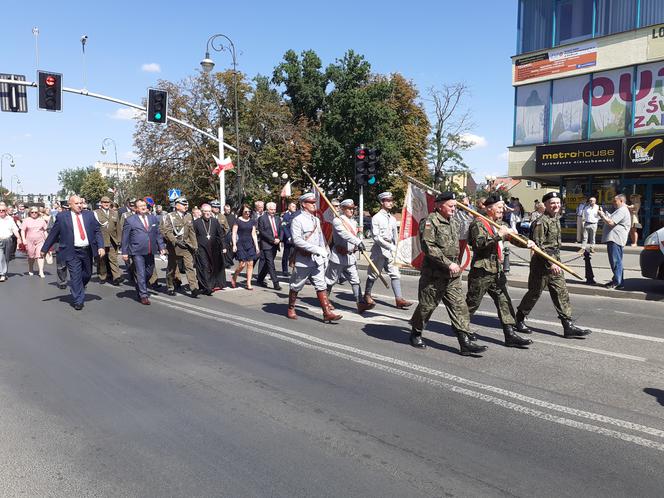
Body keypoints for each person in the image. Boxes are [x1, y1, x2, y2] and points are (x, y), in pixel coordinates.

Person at [409, 192, 486, 355]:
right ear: (439, 205)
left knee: (460, 306)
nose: (454, 209)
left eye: (455, 206)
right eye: (451, 206)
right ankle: (416, 331)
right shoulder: (430, 222)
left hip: (452, 275)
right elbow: (428, 246)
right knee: (426, 307)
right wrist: (448, 263)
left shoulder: (453, 222)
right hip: (434, 274)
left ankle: (464, 342)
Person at [515, 192, 592, 337]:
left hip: (555, 262)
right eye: (552, 203)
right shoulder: (540, 222)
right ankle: (519, 319)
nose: (556, 205)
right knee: (534, 293)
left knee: (561, 293)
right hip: (542, 265)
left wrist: (555, 262)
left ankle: (568, 325)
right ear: (545, 205)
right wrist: (551, 263)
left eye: (558, 202)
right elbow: (537, 246)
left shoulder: (556, 219)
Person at [465, 195, 534, 348]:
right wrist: (498, 236)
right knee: (471, 304)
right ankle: (462, 331)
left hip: (497, 271)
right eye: (499, 207)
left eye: (503, 208)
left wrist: (527, 242)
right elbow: (479, 244)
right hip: (482, 270)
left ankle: (509, 334)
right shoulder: (479, 223)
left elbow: (512, 236)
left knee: (504, 302)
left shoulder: (500, 223)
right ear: (489, 208)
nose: (502, 210)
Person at [40, 195, 105, 310]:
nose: (80, 205)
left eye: (81, 203)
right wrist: (44, 249)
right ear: (70, 205)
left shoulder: (89, 215)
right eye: (76, 203)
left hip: (87, 250)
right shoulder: (62, 217)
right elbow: (53, 234)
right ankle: (78, 300)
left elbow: (97, 231)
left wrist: (101, 246)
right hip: (71, 251)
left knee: (87, 274)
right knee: (75, 275)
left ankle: (78, 287)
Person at [286, 193, 341, 322]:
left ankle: (326, 312)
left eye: (314, 202)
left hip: (316, 259)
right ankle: (291, 308)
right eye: (311, 202)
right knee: (296, 285)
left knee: (321, 284)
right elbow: (297, 240)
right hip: (303, 259)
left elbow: (320, 236)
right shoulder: (297, 220)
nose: (314, 204)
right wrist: (316, 249)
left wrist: (324, 251)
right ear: (303, 204)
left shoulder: (316, 219)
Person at [364, 192, 412, 309]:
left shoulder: (392, 218)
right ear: (382, 202)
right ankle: (367, 295)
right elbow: (376, 237)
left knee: (395, 274)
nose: (390, 202)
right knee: (373, 274)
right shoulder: (376, 218)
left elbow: (395, 235)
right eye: (387, 200)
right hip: (379, 250)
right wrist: (390, 246)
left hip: (391, 251)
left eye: (391, 200)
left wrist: (397, 247)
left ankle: (399, 299)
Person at [325, 199, 373, 314]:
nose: (351, 210)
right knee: (331, 280)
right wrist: (358, 242)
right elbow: (344, 234)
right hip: (338, 256)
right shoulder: (337, 221)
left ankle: (360, 303)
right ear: (342, 209)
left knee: (355, 280)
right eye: (349, 208)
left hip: (350, 257)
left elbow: (355, 236)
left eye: (352, 208)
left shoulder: (353, 222)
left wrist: (358, 245)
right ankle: (325, 301)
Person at [121, 199, 166, 305]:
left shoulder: (153, 218)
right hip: (137, 251)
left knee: (149, 273)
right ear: (136, 208)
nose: (143, 207)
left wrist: (162, 247)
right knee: (141, 273)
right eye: (140, 206)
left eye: (144, 205)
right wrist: (124, 252)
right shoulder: (130, 220)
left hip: (150, 250)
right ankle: (143, 295)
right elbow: (125, 238)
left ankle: (139, 284)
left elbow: (158, 234)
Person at [160, 196, 199, 297]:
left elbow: (191, 232)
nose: (186, 206)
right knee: (172, 268)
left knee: (189, 267)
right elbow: (167, 231)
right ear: (177, 206)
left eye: (186, 204)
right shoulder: (170, 216)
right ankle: (170, 286)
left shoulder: (189, 216)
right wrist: (175, 241)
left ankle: (194, 288)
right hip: (174, 246)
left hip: (186, 245)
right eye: (183, 204)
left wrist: (195, 246)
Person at [599, 194, 631, 290]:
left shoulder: (622, 210)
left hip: (615, 239)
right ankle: (618, 281)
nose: (613, 203)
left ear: (621, 201)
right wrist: (605, 215)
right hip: (615, 239)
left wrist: (602, 215)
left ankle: (617, 282)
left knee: (615, 261)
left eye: (615, 201)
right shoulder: (620, 210)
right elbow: (611, 220)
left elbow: (611, 223)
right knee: (617, 261)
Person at [193, 203, 227, 295]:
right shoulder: (196, 223)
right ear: (202, 212)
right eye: (206, 211)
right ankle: (207, 287)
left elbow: (220, 235)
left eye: (209, 211)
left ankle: (209, 285)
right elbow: (193, 236)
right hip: (201, 249)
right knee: (204, 267)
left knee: (212, 267)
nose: (208, 213)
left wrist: (223, 246)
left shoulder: (215, 221)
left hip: (213, 249)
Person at [94, 196, 122, 285]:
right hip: (101, 240)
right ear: (101, 203)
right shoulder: (95, 213)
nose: (106, 204)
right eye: (104, 202)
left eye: (108, 202)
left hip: (112, 240)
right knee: (102, 259)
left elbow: (118, 227)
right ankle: (103, 275)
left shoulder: (114, 213)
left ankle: (116, 277)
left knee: (113, 259)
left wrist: (119, 239)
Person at [230, 204, 259, 290]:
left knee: (250, 263)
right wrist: (234, 244)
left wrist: (256, 246)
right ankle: (235, 275)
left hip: (249, 244)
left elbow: (253, 234)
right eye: (246, 211)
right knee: (242, 264)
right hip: (240, 244)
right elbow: (234, 233)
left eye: (249, 212)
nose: (247, 213)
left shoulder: (252, 221)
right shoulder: (238, 220)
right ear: (242, 211)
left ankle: (248, 283)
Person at [255, 202, 283, 290]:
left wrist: (279, 239)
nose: (273, 211)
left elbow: (281, 230)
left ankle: (260, 279)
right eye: (271, 209)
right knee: (271, 263)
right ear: (267, 209)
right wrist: (272, 239)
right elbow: (262, 232)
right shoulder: (262, 219)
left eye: (274, 209)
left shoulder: (278, 218)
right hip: (267, 244)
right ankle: (276, 283)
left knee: (267, 264)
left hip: (276, 244)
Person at [20, 206, 49, 278]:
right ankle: (30, 268)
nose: (34, 213)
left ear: (38, 213)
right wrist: (23, 239)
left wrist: (47, 240)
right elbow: (22, 230)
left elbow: (45, 231)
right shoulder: (26, 220)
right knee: (31, 256)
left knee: (40, 255)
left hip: (40, 240)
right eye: (32, 212)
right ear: (30, 213)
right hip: (29, 241)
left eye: (36, 212)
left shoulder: (41, 220)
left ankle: (41, 271)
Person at [0, 202, 23, 282]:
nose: (1, 211)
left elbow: (15, 229)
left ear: (6, 211)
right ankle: (2, 274)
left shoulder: (10, 219)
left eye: (3, 210)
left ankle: (4, 272)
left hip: (8, 239)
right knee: (0, 257)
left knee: (6, 257)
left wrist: (19, 238)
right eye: (0, 210)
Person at [280, 201, 297, 276]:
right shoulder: (286, 216)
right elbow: (284, 226)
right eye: (293, 206)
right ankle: (285, 270)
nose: (294, 208)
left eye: (295, 206)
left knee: (294, 255)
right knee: (286, 255)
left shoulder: (297, 215)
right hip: (288, 239)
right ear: (289, 207)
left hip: (295, 238)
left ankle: (295, 270)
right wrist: (288, 237)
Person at [223, 203, 236, 269]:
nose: (228, 211)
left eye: (229, 209)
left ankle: (229, 261)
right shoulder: (222, 216)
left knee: (232, 249)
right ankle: (226, 263)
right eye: (226, 210)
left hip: (231, 234)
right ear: (224, 210)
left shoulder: (233, 216)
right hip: (224, 234)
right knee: (226, 249)